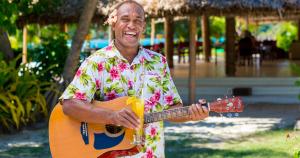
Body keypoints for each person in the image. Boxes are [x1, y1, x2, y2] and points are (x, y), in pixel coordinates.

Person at [59, 1, 209, 157]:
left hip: (151, 153)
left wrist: (192, 114)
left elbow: (171, 109)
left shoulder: (158, 62)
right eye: (125, 19)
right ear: (113, 22)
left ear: (143, 27)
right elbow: (70, 105)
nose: (132, 25)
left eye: (138, 21)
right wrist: (111, 116)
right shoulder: (96, 62)